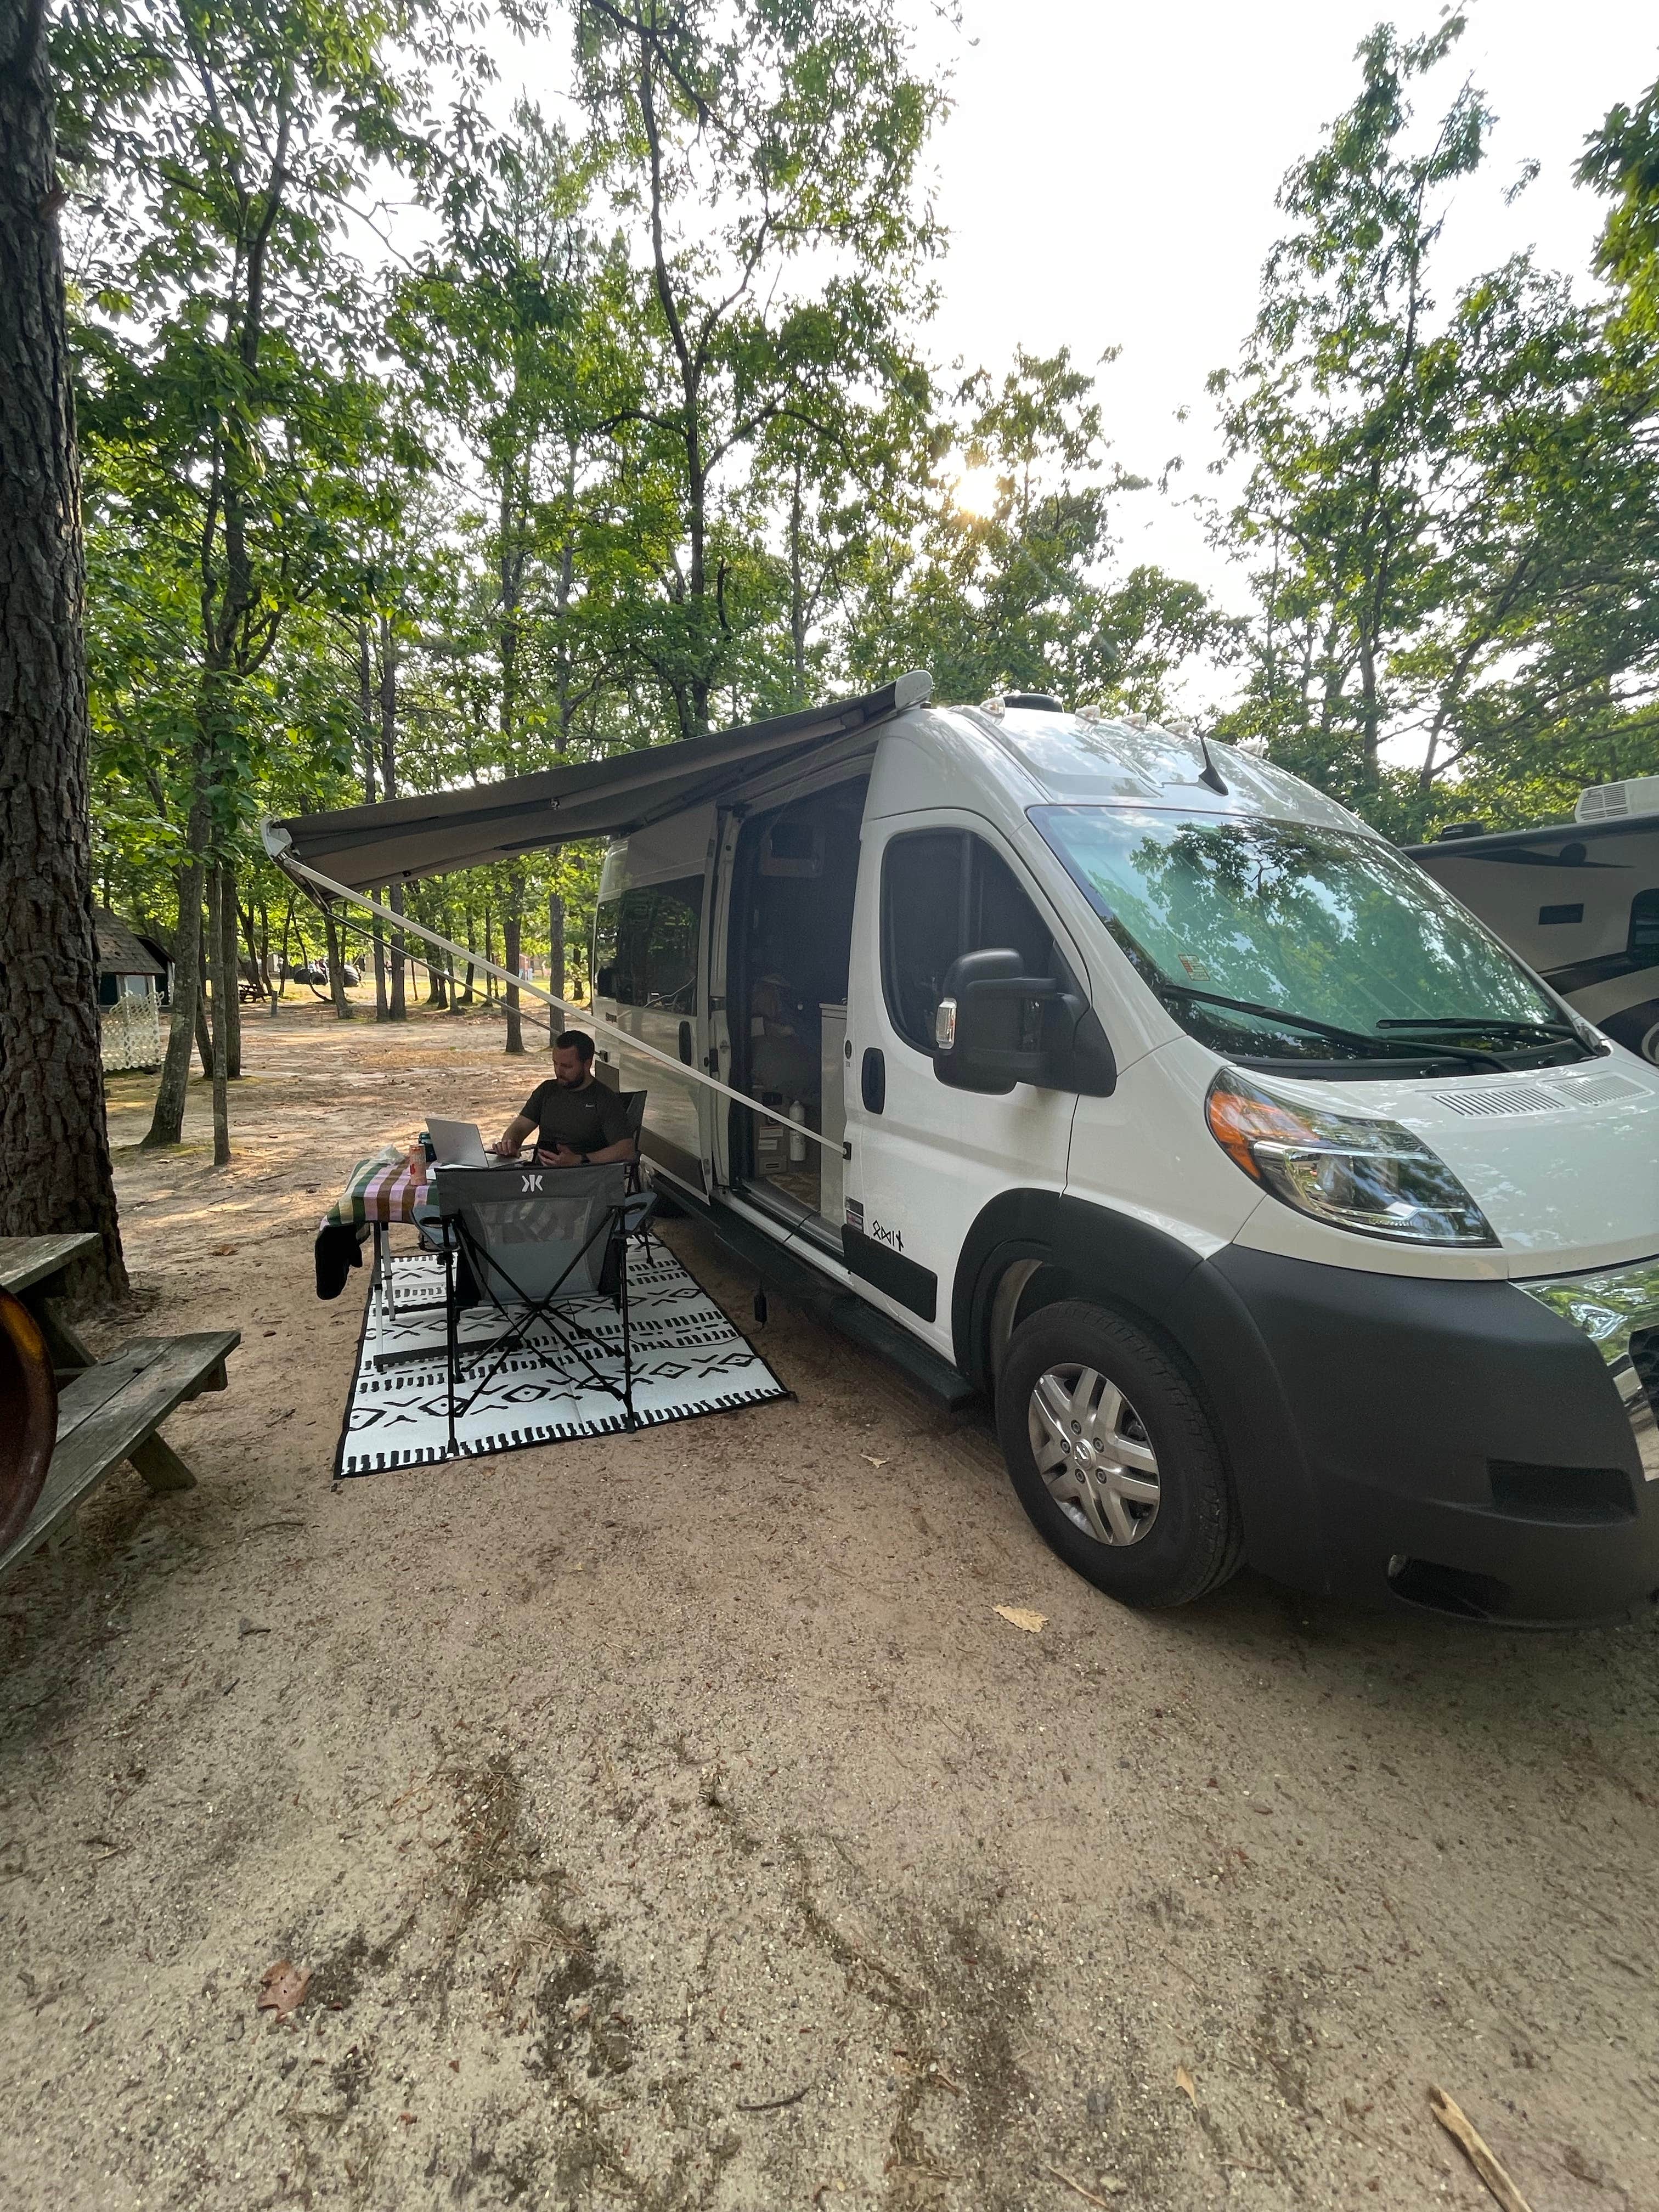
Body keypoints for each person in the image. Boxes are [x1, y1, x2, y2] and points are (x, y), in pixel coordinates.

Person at [496, 1030, 637, 1169]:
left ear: (587, 1064)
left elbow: (626, 1150)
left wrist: (581, 1160)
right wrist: (510, 1144)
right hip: (540, 1177)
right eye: (555, 1063)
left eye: (567, 1066)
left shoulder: (604, 1098)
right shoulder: (547, 1091)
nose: (558, 1071)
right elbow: (520, 1127)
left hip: (585, 1177)